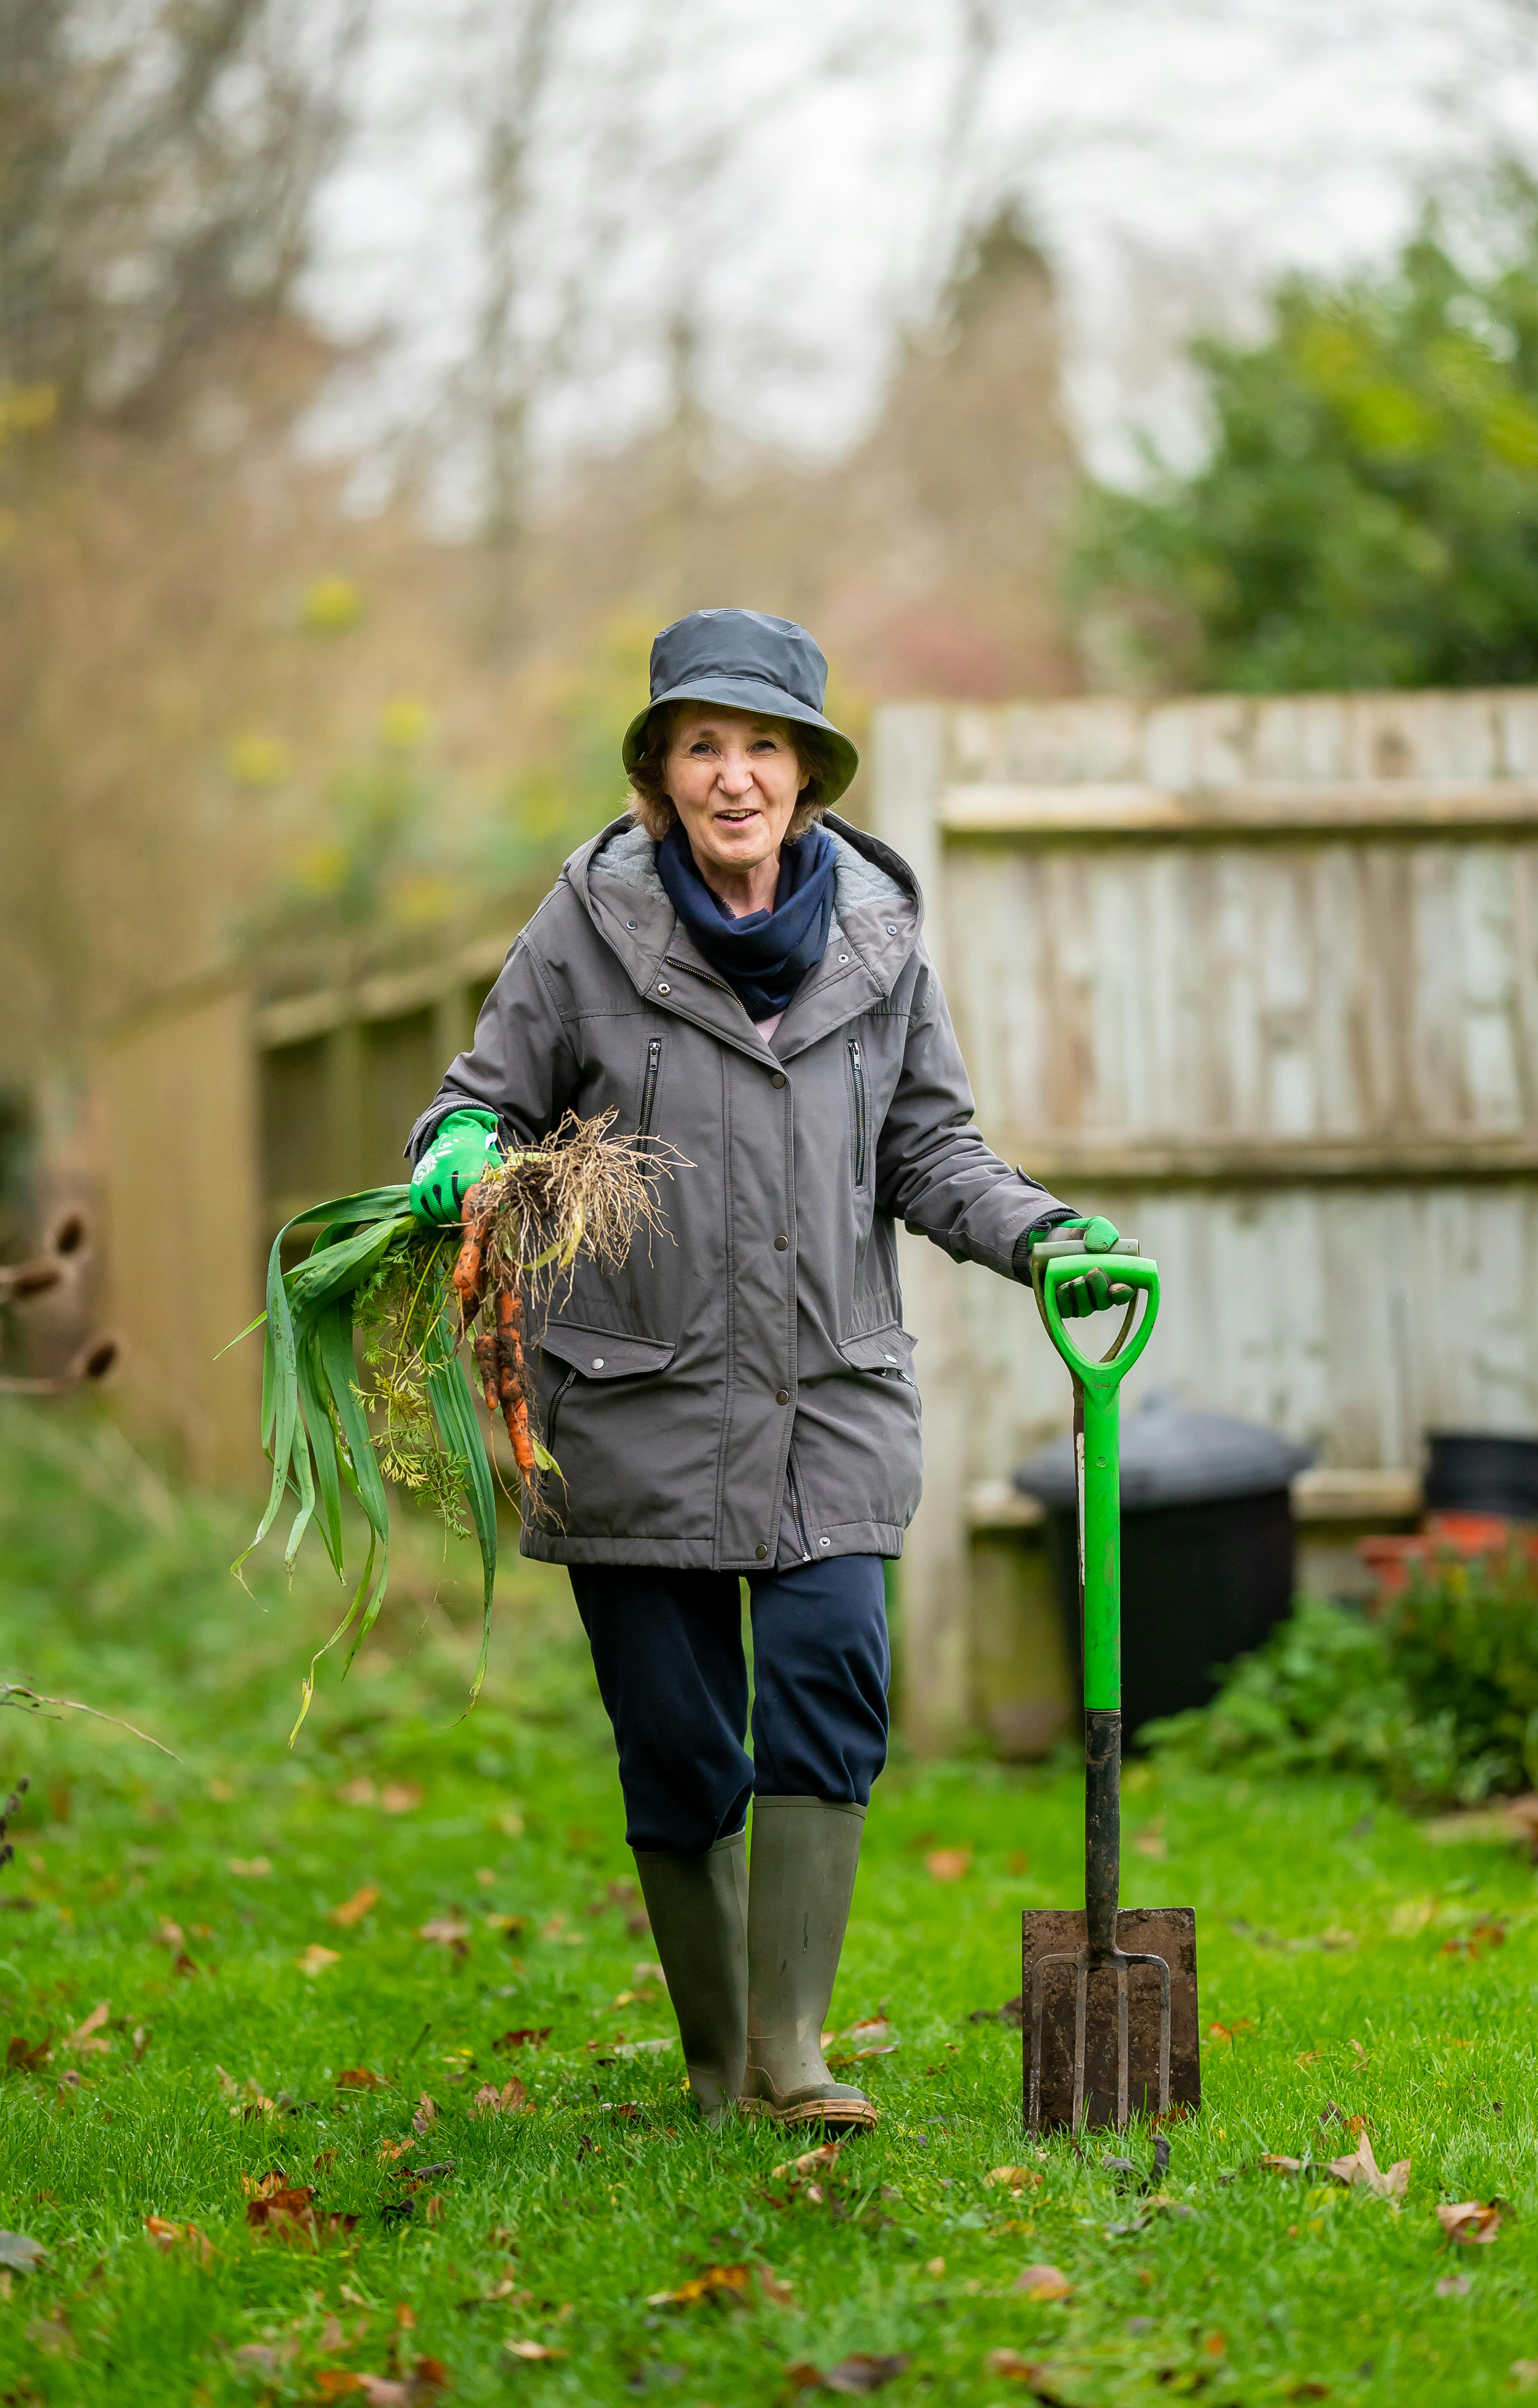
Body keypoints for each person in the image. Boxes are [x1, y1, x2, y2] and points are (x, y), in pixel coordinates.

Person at [406, 608, 1125, 2133]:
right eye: (703, 747)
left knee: (831, 1685)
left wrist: (1043, 1236)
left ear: (808, 774)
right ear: (659, 776)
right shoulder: (586, 931)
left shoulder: (878, 940)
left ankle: (793, 2053)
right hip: (634, 1395)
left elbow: (930, 1149)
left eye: (764, 747)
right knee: (676, 1739)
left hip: (826, 1394)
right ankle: (719, 2061)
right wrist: (463, 1152)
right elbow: (480, 1100)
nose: (736, 777)